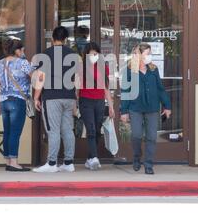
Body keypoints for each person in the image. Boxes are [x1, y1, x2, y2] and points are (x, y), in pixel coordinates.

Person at [120, 43, 172, 175]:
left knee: (152, 137)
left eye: (150, 53)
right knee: (136, 135)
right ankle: (137, 157)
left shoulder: (153, 69)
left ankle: (149, 164)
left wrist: (167, 106)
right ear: (139, 55)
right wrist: (124, 111)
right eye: (147, 54)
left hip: (152, 108)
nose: (149, 56)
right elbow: (125, 90)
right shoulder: (129, 70)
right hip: (135, 108)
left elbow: (160, 89)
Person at [33, 26, 79, 173]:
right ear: (65, 39)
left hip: (52, 97)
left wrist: (36, 98)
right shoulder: (73, 55)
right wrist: (75, 97)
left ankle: (52, 163)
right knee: (67, 129)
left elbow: (41, 78)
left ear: (52, 39)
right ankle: (68, 162)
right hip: (69, 96)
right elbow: (77, 79)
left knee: (53, 130)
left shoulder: (46, 55)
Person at [0, 39, 32, 172]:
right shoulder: (23, 63)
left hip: (4, 100)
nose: (23, 52)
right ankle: (14, 162)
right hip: (18, 100)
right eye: (22, 50)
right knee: (15, 132)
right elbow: (35, 77)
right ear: (17, 51)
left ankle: (8, 161)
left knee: (7, 131)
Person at [79, 42, 115, 171]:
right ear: (86, 55)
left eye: (96, 53)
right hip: (85, 101)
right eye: (91, 53)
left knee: (97, 130)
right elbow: (76, 87)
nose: (94, 55)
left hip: (99, 101)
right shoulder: (81, 67)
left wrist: (110, 106)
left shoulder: (103, 67)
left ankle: (90, 159)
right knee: (91, 129)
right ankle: (94, 157)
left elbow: (106, 87)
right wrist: (74, 105)